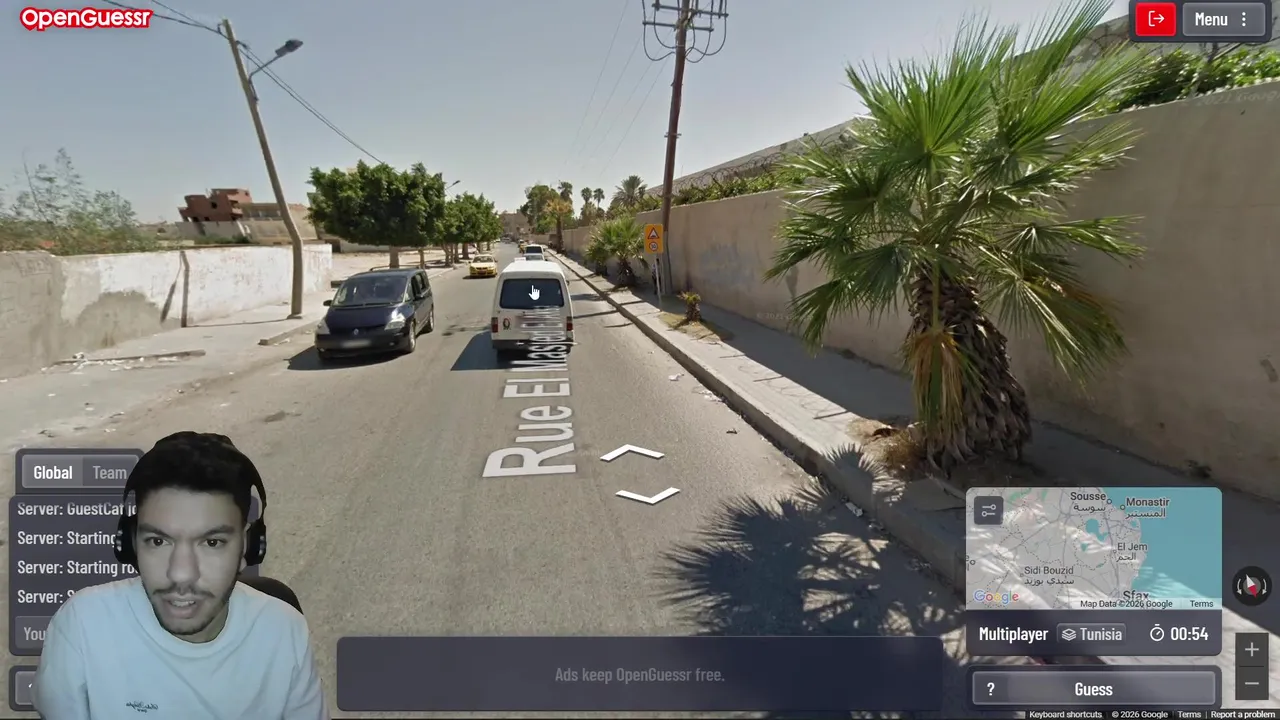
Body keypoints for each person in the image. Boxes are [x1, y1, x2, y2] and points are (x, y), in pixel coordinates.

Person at [33, 431, 328, 719]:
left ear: (247, 547)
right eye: (158, 541)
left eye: (212, 543)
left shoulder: (285, 632)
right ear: (131, 544)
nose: (181, 575)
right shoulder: (82, 627)